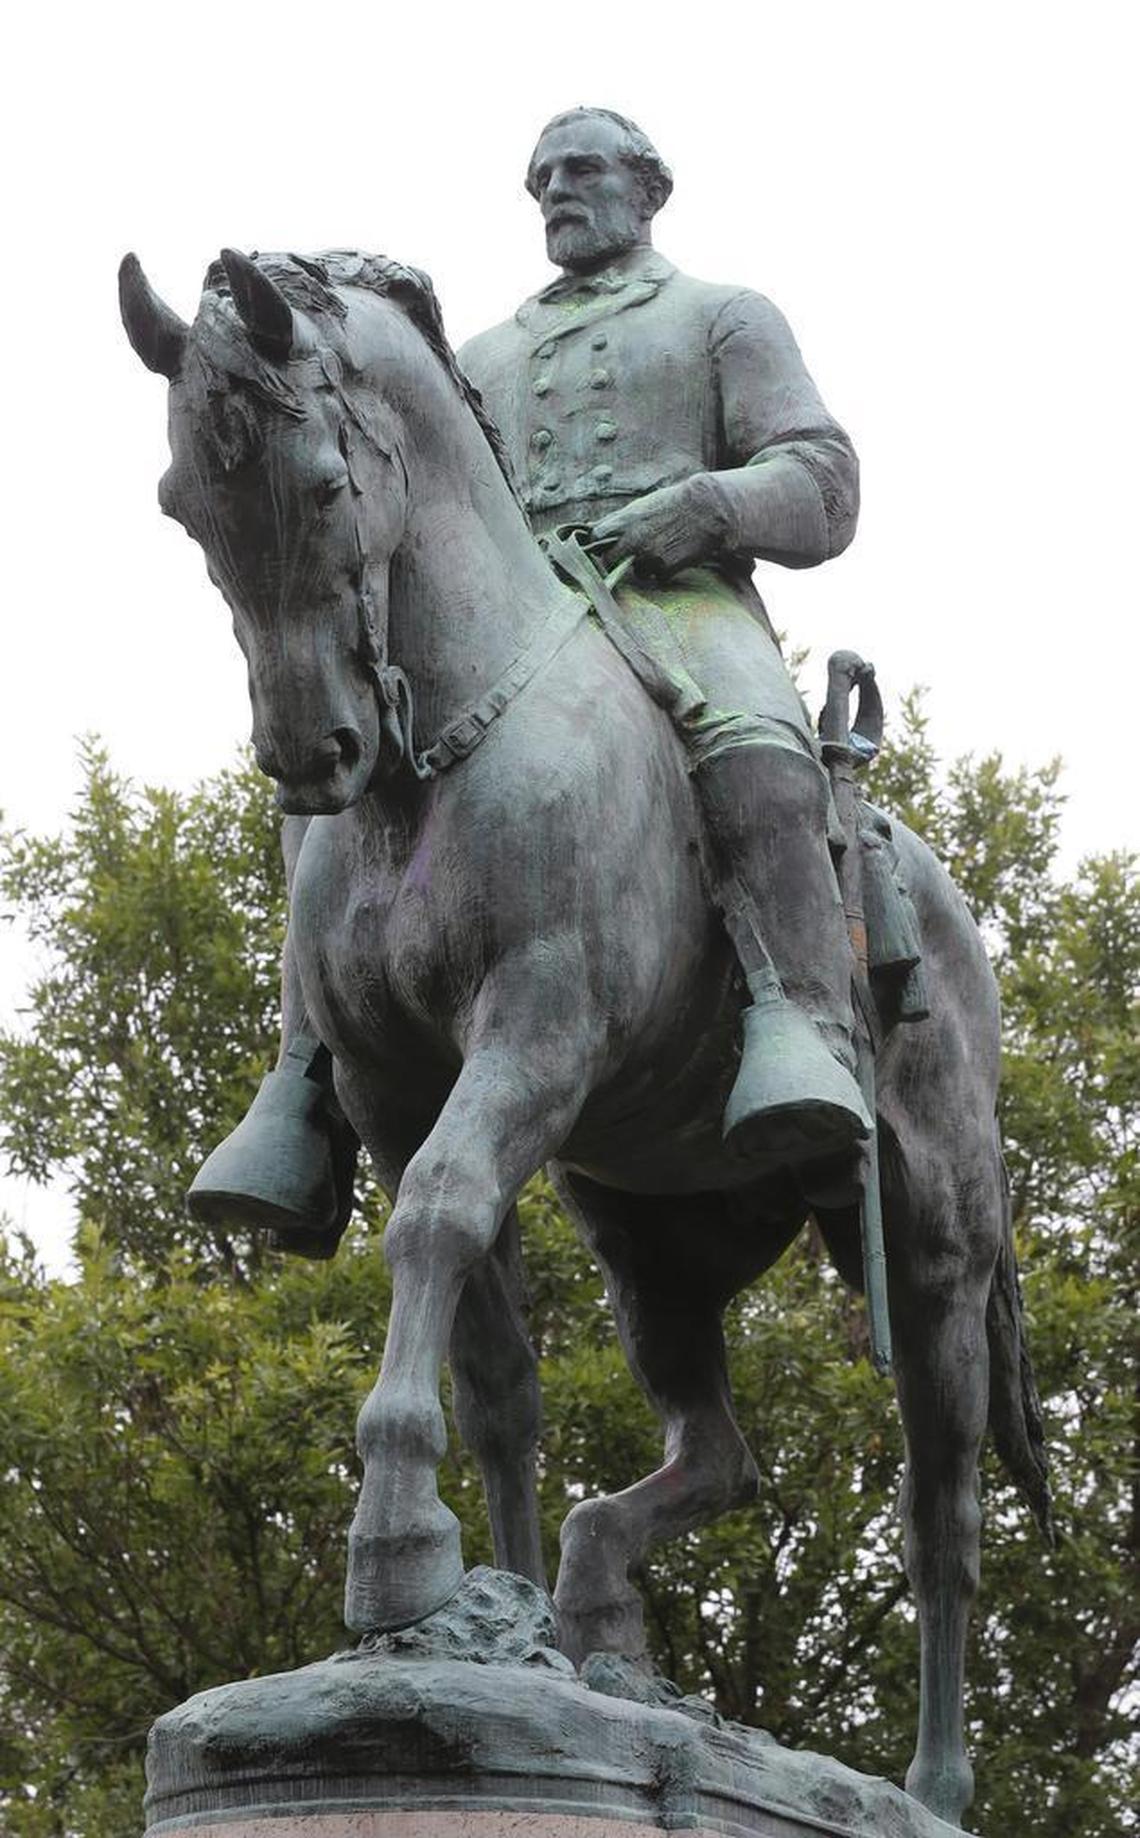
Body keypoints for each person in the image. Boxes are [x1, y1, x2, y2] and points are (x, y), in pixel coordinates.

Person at [189, 106, 870, 1246]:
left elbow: (822, 475)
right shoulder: (487, 357)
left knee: (750, 730)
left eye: (584, 170)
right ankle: (306, 1074)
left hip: (676, 597)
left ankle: (800, 1020)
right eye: (542, 177)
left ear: (648, 188)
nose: (558, 190)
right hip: (520, 616)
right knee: (335, 783)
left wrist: (705, 505)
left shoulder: (720, 316)